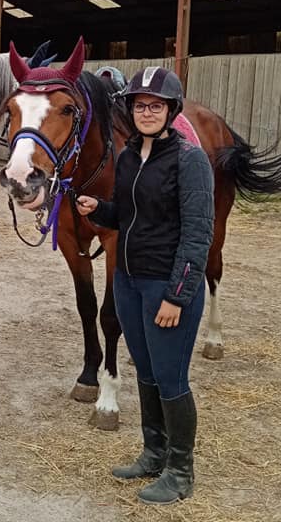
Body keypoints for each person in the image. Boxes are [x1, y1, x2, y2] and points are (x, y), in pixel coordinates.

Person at [75, 66, 214, 505]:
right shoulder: (130, 157)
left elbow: (198, 234)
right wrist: (98, 208)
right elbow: (126, 215)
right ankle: (154, 453)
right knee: (148, 373)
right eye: (140, 105)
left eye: (156, 105)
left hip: (166, 287)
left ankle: (180, 471)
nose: (147, 112)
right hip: (129, 283)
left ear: (171, 110)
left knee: (171, 378)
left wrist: (178, 295)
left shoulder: (190, 160)